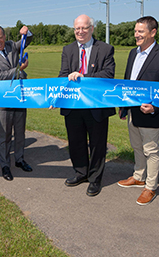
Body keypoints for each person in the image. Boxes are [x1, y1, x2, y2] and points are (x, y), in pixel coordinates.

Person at [118, 16, 159, 205]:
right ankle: (138, 176)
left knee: (150, 150)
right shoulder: (132, 53)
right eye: (135, 31)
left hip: (150, 113)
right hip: (133, 111)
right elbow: (128, 81)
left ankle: (150, 187)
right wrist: (124, 105)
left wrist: (156, 106)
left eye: (140, 31)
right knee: (136, 146)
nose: (136, 35)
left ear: (153, 32)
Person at [58, 14, 115, 197]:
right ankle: (80, 173)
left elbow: (108, 74)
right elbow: (62, 75)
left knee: (97, 144)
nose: (80, 32)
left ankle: (95, 179)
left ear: (92, 29)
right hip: (73, 106)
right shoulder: (67, 50)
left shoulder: (105, 49)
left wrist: (84, 78)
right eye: (77, 29)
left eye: (83, 28)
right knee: (75, 142)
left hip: (96, 106)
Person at [0, 24, 34, 181]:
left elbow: (27, 39)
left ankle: (19, 160)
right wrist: (19, 69)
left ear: (5, 36)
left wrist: (27, 31)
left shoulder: (12, 45)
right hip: (3, 100)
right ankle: (5, 165)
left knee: (20, 132)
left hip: (19, 97)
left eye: (1, 37)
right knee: (4, 135)